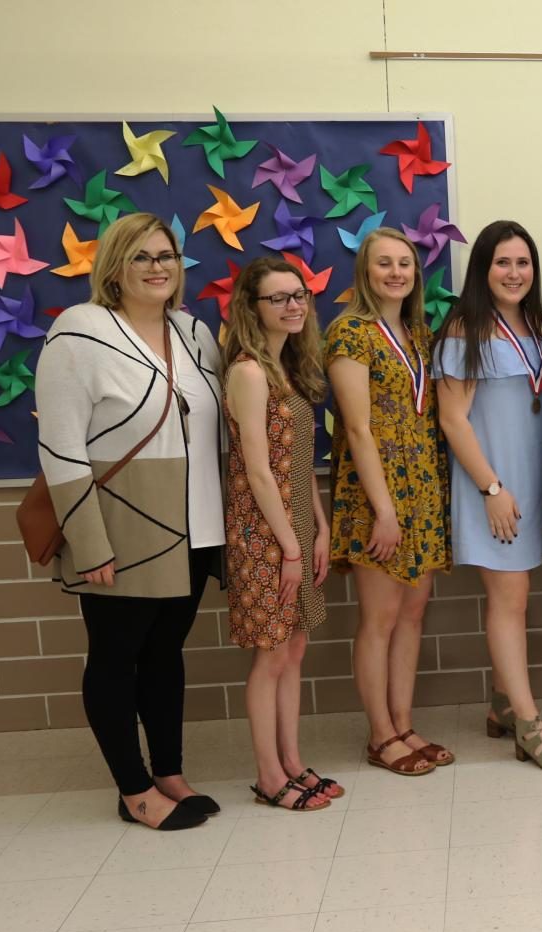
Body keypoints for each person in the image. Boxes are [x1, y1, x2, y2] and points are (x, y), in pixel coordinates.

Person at [34, 212, 223, 830]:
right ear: (113, 266)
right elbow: (60, 446)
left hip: (194, 527)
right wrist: (88, 541)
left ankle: (169, 771)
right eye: (140, 256)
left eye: (166, 255)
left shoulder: (196, 333)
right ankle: (134, 789)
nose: (157, 267)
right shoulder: (79, 331)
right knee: (115, 657)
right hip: (120, 525)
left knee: (166, 652)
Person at [435, 221, 542, 773]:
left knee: (519, 597)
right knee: (509, 600)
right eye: (502, 263)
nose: (514, 273)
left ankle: (501, 706)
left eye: (523, 263)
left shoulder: (541, 329)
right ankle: (529, 723)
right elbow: (454, 421)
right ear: (482, 270)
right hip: (490, 488)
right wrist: (491, 488)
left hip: (531, 486)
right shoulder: (463, 333)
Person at [326, 227, 452, 776]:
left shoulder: (421, 335)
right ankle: (379, 735)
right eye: (384, 263)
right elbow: (356, 427)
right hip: (377, 494)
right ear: (366, 271)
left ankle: (403, 723)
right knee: (379, 618)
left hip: (422, 488)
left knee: (412, 613)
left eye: (405, 263)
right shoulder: (351, 333)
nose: (396, 272)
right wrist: (384, 510)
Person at [223, 257, 341, 810]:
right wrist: (289, 548)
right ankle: (269, 775)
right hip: (261, 531)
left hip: (295, 525)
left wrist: (318, 527)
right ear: (253, 308)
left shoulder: (290, 369)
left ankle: (293, 761)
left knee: (295, 647)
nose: (294, 306)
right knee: (271, 653)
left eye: (299, 295)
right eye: (279, 298)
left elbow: (297, 462)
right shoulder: (247, 372)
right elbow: (257, 470)